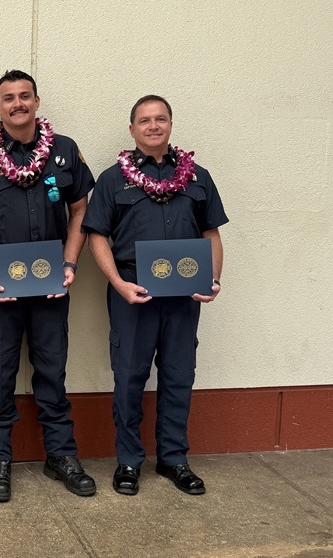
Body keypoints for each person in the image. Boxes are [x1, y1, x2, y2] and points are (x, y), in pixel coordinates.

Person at [0, 70, 96, 502]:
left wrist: (70, 263)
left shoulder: (65, 150)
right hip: (1, 290)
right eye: (8, 98)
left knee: (52, 371)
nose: (18, 103)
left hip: (53, 287)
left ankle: (61, 455)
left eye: (25, 96)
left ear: (37, 101)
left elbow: (80, 211)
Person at [82, 95, 228, 496]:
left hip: (183, 296)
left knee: (179, 377)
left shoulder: (198, 176)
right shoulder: (113, 179)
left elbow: (211, 234)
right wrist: (117, 283)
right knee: (129, 378)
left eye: (160, 119)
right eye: (144, 120)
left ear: (170, 125)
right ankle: (129, 461)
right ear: (132, 129)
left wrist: (212, 280)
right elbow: (96, 237)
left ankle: (174, 459)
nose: (152, 126)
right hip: (134, 292)